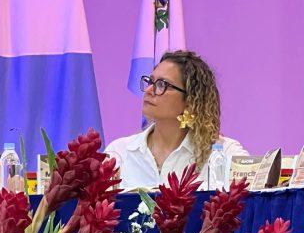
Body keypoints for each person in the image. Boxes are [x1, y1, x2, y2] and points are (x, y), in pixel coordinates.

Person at [104, 50, 247, 190]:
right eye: (150, 81)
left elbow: (250, 197)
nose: (148, 91)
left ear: (190, 100)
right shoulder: (119, 153)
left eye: (162, 84)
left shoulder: (225, 153)